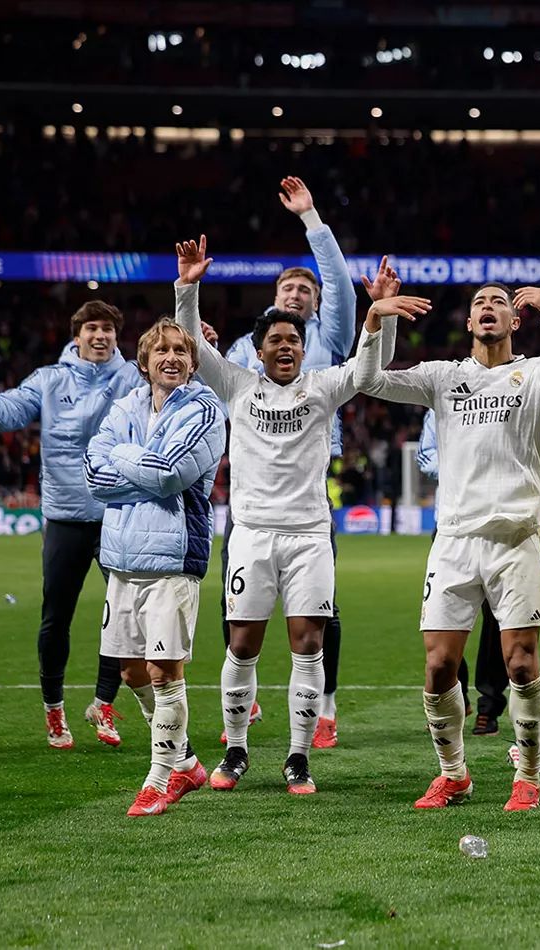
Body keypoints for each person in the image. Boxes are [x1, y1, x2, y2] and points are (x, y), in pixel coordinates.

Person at [175, 237, 414, 795]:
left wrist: (379, 315)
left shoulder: (322, 388)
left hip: (309, 536)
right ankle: (235, 750)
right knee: (242, 643)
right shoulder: (236, 385)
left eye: (294, 340)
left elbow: (369, 369)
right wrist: (188, 285)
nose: (286, 346)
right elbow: (191, 340)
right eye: (276, 340)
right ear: (257, 351)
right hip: (252, 536)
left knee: (309, 643)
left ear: (305, 350)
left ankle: (299, 758)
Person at [355, 280, 540, 813]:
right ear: (468, 324)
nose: (489, 308)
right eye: (479, 303)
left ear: (515, 321)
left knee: (521, 665)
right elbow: (368, 379)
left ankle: (528, 774)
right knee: (439, 666)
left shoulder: (534, 375)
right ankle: (453, 774)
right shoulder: (443, 377)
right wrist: (377, 321)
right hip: (455, 541)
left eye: (500, 303)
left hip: (515, 541)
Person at [219, 177, 358, 749]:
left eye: (306, 288)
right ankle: (241, 708)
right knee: (234, 605)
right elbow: (213, 398)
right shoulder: (243, 352)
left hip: (310, 487)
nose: (297, 293)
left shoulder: (329, 338)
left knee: (322, 609)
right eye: (288, 286)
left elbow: (342, 288)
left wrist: (311, 220)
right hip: (252, 488)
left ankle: (323, 704)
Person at [0, 299, 143, 748]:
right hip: (65, 517)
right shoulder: (50, 379)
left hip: (117, 516)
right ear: (77, 334)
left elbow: (176, 384)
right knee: (56, 619)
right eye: (92, 327)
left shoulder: (132, 378)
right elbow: (9, 413)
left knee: (124, 616)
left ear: (115, 336)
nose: (100, 335)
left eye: (108, 328)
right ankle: (54, 711)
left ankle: (103, 705)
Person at [82, 317, 225, 816]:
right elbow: (91, 474)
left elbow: (169, 477)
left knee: (165, 671)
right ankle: (184, 761)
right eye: (161, 351)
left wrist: (121, 455)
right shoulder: (127, 406)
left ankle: (159, 780)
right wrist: (138, 459)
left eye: (181, 351)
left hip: (172, 559)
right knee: (130, 670)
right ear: (143, 364)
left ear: (193, 362)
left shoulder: (206, 410)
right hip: (121, 558)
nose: (171, 358)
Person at [417, 408, 506, 730]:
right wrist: (467, 465)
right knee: (443, 618)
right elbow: (426, 455)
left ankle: (490, 706)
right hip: (450, 526)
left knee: (497, 622)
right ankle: (455, 696)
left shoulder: (507, 402)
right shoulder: (441, 403)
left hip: (497, 524)